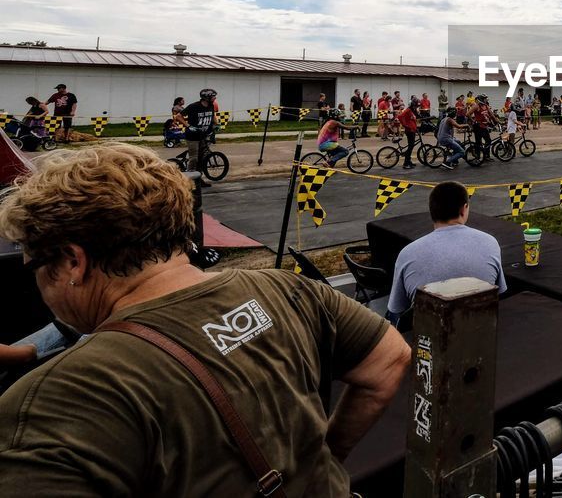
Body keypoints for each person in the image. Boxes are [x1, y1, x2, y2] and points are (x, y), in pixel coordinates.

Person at [0, 144, 409, 494]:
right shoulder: (288, 288)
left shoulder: (50, 403)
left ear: (73, 261)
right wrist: (326, 457)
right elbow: (390, 360)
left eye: (33, 264)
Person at [386, 182, 505, 329]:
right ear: (464, 209)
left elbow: (396, 308)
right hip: (480, 332)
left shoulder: (408, 253)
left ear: (432, 211)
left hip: (428, 339)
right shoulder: (490, 242)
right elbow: (499, 293)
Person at [182, 89, 217, 184]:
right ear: (207, 97)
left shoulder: (211, 105)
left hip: (203, 136)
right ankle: (189, 181)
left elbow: (212, 116)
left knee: (202, 158)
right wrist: (188, 126)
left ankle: (198, 179)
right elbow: (178, 116)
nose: (215, 98)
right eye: (213, 96)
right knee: (194, 158)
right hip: (192, 136)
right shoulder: (194, 106)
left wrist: (216, 124)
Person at [397, 98, 419, 170]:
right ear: (413, 105)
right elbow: (400, 116)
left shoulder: (411, 111)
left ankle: (409, 161)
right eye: (416, 106)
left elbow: (412, 119)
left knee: (411, 146)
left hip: (412, 130)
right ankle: (406, 163)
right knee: (410, 147)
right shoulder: (408, 110)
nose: (416, 107)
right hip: (410, 131)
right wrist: (405, 125)